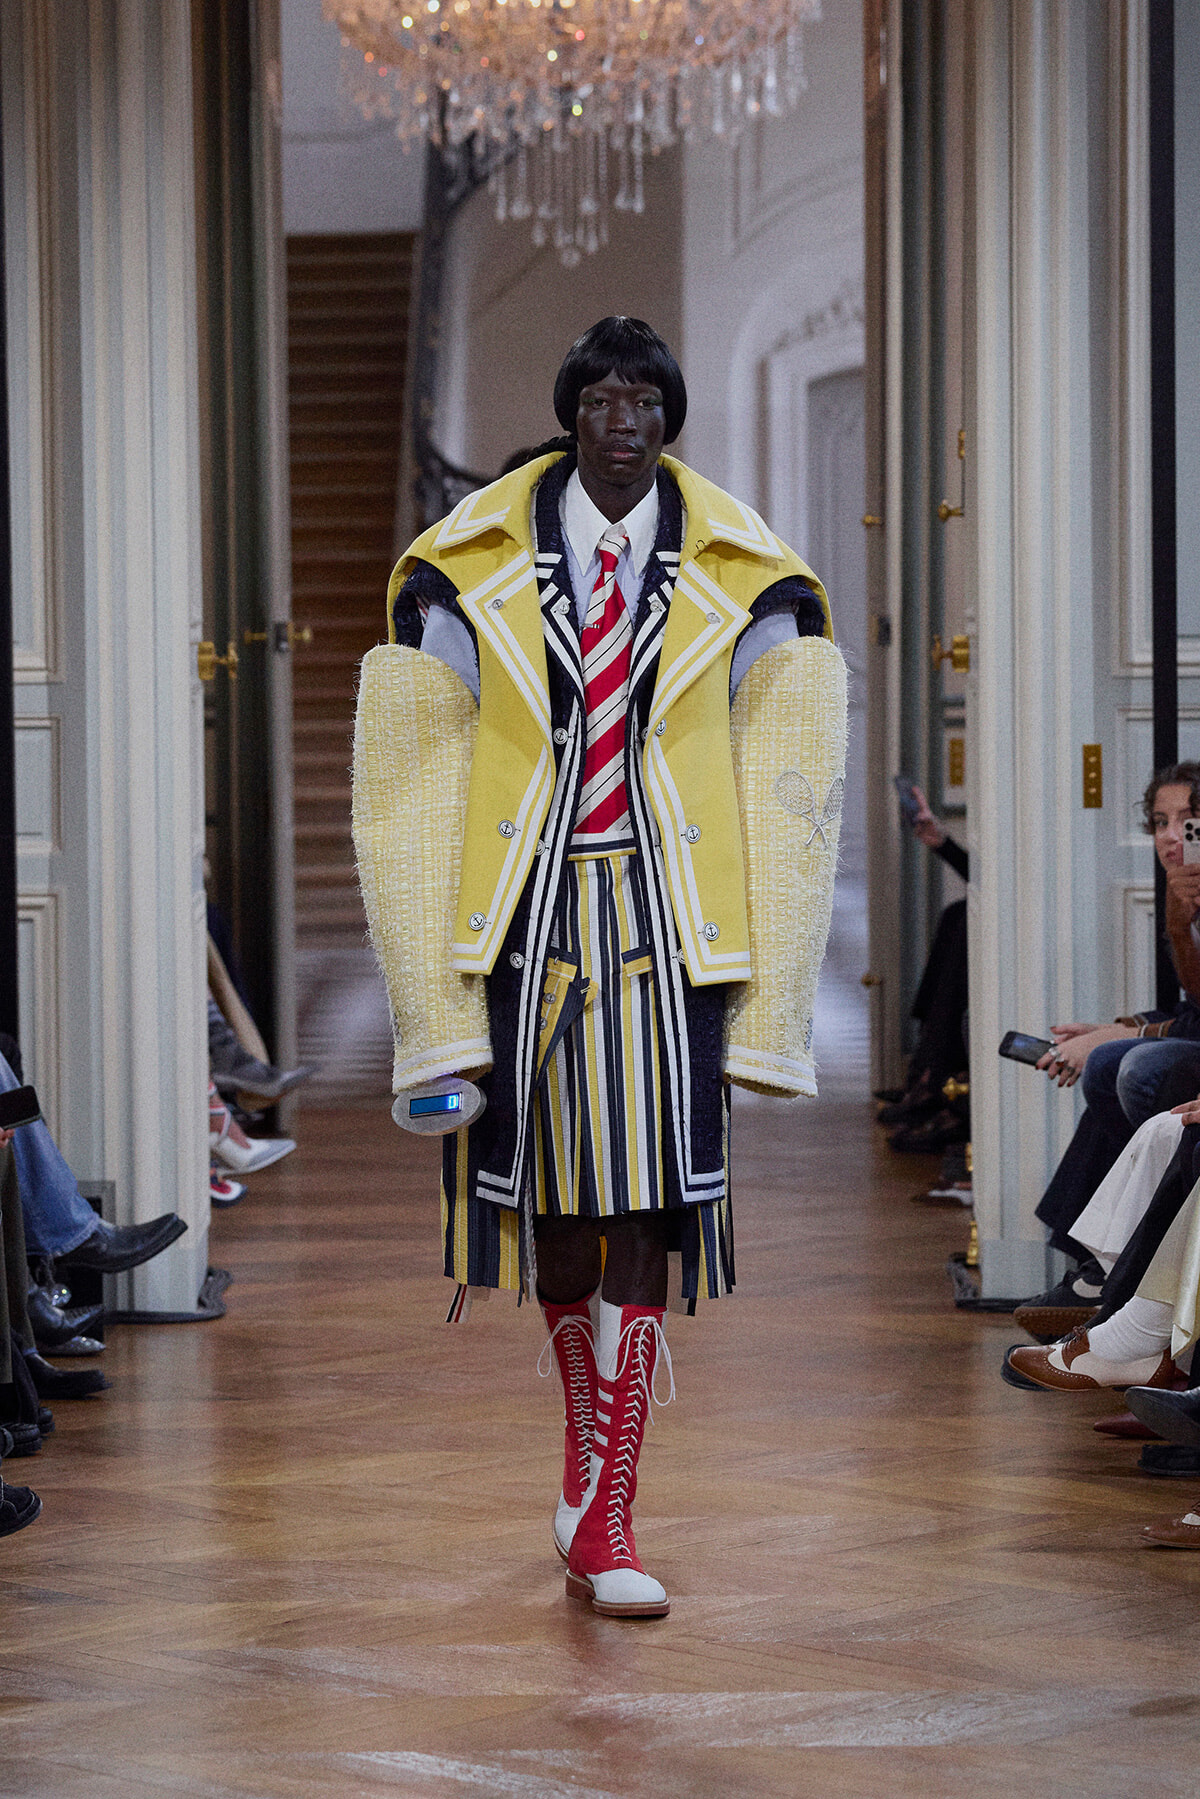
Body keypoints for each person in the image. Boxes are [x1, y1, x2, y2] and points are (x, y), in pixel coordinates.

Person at [353, 316, 846, 1618]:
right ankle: (584, 1432)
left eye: (645, 396)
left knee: (655, 1206)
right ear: (573, 410)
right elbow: (413, 768)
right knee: (555, 1205)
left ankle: (612, 1501)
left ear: (669, 418)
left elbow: (791, 774)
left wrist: (776, 990)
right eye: (603, 394)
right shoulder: (471, 567)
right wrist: (429, 996)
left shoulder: (745, 574)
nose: (623, 416)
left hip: (676, 914)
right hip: (529, 916)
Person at [1016, 766, 1200, 1326]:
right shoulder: (1184, 892)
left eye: (1189, 823)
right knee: (1112, 1063)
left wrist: (1121, 1035)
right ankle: (1100, 1270)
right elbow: (1193, 1009)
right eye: (1160, 823)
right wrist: (1116, 1028)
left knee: (1129, 1069)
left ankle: (1110, 1272)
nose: (1171, 836)